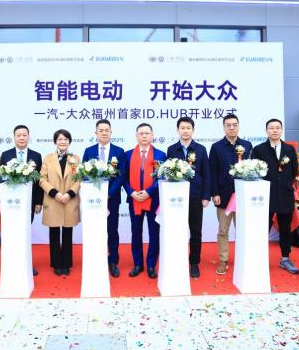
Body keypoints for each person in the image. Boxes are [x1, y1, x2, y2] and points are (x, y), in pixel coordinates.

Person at [251, 118, 299, 274]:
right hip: (265, 195)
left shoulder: (289, 149)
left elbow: (294, 170)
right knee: (262, 227)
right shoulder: (259, 149)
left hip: (285, 194)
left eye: (278, 127)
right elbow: (254, 171)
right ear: (266, 131)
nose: (275, 130)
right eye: (271, 128)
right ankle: (258, 258)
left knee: (285, 228)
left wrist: (284, 183)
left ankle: (285, 258)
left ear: (281, 130)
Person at [209, 114, 253, 275]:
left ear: (238, 126)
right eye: (228, 125)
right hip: (224, 195)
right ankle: (223, 260)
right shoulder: (216, 147)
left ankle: (245, 258)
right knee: (223, 230)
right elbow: (212, 172)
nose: (232, 127)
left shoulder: (247, 145)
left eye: (235, 124)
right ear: (224, 127)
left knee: (244, 229)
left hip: (244, 196)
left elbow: (253, 169)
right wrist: (215, 193)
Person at [166, 117, 210, 278]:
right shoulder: (172, 149)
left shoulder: (201, 149)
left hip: (195, 197)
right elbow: (167, 174)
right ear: (178, 130)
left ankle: (194, 262)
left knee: (196, 231)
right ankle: (177, 260)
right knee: (177, 230)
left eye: (188, 128)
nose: (185, 131)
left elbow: (207, 174)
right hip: (176, 199)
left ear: (193, 130)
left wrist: (206, 196)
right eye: (182, 128)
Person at [82, 119, 126, 278]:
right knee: (95, 230)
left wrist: (109, 193)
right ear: (96, 133)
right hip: (93, 200)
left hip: (111, 199)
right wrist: (95, 194)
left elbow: (121, 175)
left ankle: (113, 261)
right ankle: (96, 260)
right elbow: (83, 174)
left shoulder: (119, 151)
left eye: (107, 130)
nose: (104, 133)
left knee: (112, 231)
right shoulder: (89, 151)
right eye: (101, 130)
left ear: (111, 132)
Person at [123, 123, 166, 279]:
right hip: (134, 199)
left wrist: (149, 192)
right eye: (141, 133)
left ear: (152, 136)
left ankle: (151, 265)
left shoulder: (160, 155)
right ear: (136, 136)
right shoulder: (127, 155)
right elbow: (123, 178)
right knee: (136, 232)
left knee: (154, 233)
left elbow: (161, 177)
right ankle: (138, 264)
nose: (144, 136)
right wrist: (131, 192)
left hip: (153, 199)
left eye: (147, 133)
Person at [0, 124, 43, 276]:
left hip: (29, 203)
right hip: (11, 203)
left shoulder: (36, 156)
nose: (22, 138)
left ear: (28, 137)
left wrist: (38, 202)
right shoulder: (6, 155)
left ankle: (26, 265)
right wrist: (0, 202)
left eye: (24, 135)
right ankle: (12, 264)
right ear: (14, 137)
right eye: (19, 135)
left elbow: (38, 181)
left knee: (25, 234)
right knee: (12, 234)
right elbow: (0, 180)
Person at [39, 129, 81, 276]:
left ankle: (66, 263)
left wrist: (69, 194)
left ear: (69, 141)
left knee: (68, 234)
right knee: (54, 233)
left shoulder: (76, 158)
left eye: (65, 139)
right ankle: (57, 264)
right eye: (60, 139)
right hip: (53, 200)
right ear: (55, 141)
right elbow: (42, 179)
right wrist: (55, 193)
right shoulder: (48, 158)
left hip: (70, 200)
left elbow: (79, 179)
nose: (62, 142)